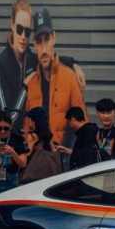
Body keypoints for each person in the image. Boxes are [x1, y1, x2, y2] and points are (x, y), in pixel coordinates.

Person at [24, 8, 85, 147]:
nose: (44, 49)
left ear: (54, 38)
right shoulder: (32, 82)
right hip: (40, 156)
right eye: (39, 42)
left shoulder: (69, 77)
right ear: (34, 45)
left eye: (47, 40)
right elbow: (27, 128)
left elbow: (82, 125)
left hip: (64, 155)